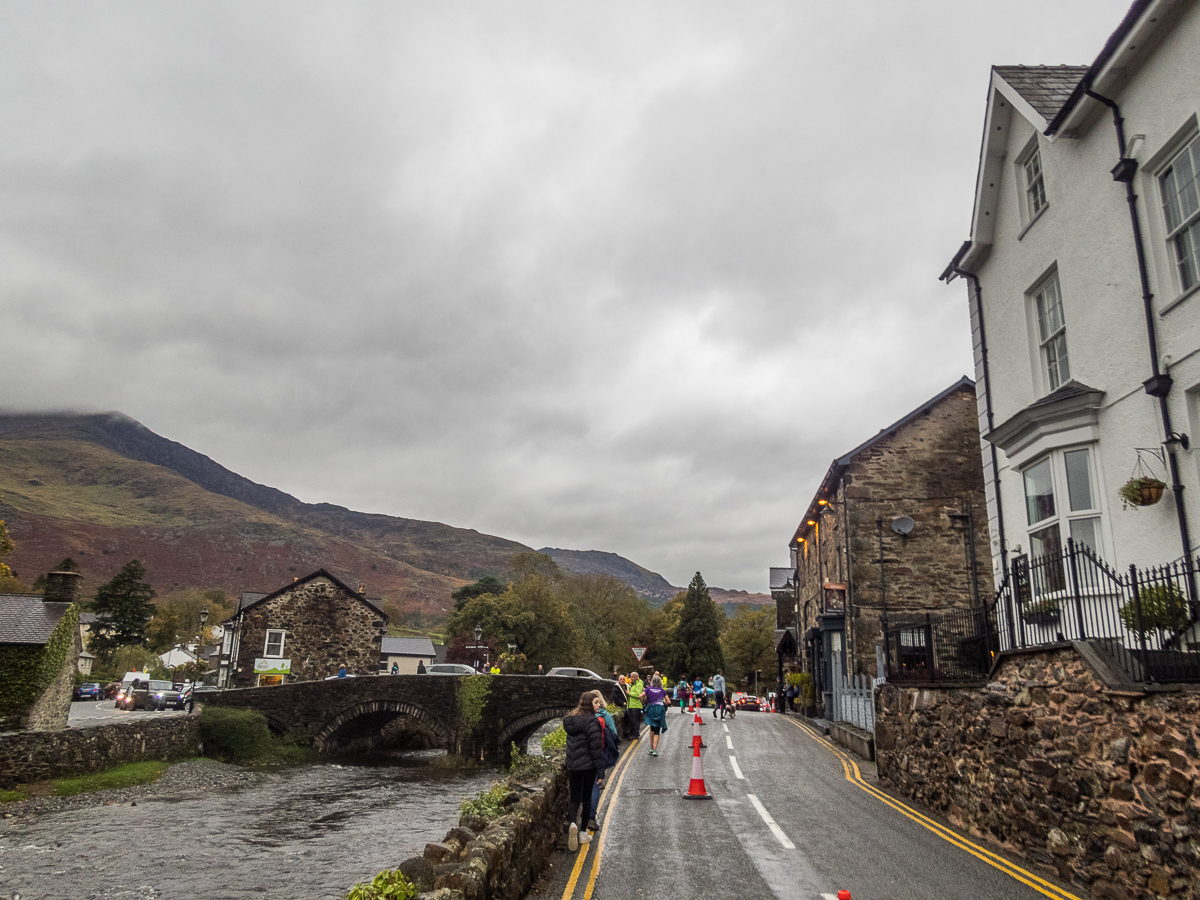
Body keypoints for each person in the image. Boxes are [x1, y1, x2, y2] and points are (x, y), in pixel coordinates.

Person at [563, 691, 606, 850]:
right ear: (589, 704)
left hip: (573, 765)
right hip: (588, 766)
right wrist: (601, 773)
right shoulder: (592, 722)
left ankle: (572, 823)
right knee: (586, 798)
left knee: (574, 798)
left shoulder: (570, 721)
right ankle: (582, 832)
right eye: (596, 702)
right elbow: (596, 749)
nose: (599, 705)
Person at [587, 689, 620, 831]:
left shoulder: (584, 716)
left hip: (584, 755)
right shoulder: (605, 715)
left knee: (583, 786)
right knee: (595, 785)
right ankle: (590, 818)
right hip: (599, 755)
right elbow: (615, 735)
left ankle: (577, 820)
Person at [641, 674, 669, 756]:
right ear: (660, 682)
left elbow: (640, 696)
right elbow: (669, 701)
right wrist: (664, 704)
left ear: (652, 682)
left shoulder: (648, 689)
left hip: (651, 709)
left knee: (651, 728)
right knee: (657, 730)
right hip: (659, 709)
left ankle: (650, 747)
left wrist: (643, 703)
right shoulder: (662, 690)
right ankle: (655, 750)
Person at [625, 672, 645, 738]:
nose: (631, 678)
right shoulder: (632, 684)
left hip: (636, 705)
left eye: (632, 677)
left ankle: (635, 734)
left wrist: (629, 693)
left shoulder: (639, 684)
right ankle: (634, 733)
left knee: (635, 721)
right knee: (632, 720)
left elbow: (638, 694)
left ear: (636, 677)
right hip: (631, 705)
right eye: (631, 677)